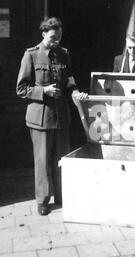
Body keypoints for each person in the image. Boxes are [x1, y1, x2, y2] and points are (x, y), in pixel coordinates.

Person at [16, 17, 87, 216]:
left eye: (60, 37)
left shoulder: (64, 55)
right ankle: (43, 200)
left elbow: (70, 81)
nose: (57, 41)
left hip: (61, 116)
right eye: (54, 37)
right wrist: (43, 91)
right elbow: (21, 89)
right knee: (42, 160)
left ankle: (63, 196)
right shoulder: (30, 55)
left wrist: (75, 93)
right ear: (44, 34)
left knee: (61, 158)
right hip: (40, 118)